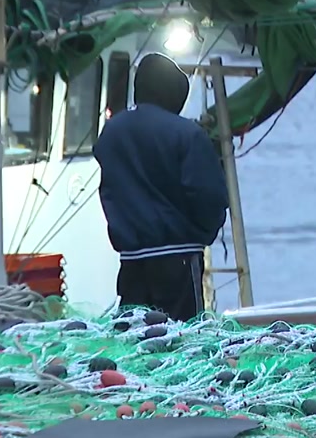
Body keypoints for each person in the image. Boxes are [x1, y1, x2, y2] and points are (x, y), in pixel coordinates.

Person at [93, 52, 229, 321]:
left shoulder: (112, 132)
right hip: (178, 258)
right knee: (179, 337)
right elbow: (209, 197)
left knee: (135, 333)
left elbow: (110, 190)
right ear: (175, 93)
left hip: (131, 260)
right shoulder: (188, 134)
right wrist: (203, 233)